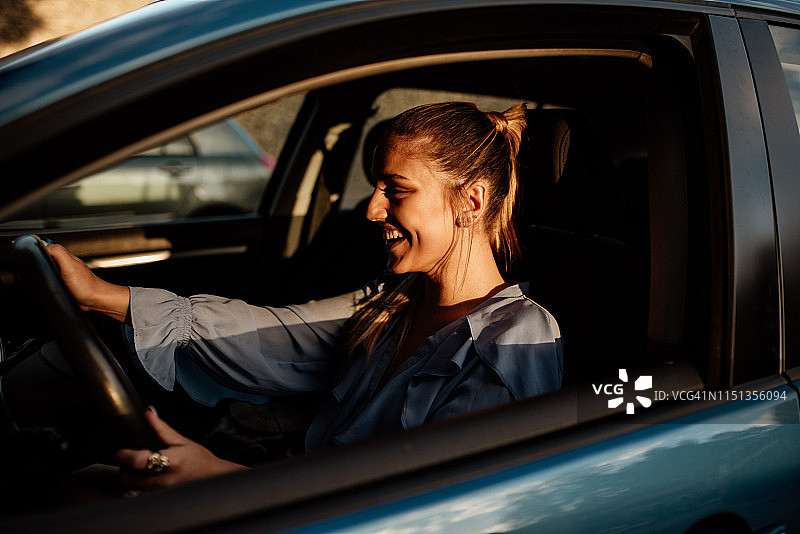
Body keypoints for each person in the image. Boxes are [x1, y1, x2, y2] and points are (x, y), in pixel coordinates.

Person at [47, 101, 563, 489]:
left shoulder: (516, 337)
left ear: (470, 200)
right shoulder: (391, 301)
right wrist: (104, 297)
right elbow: (269, 333)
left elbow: (435, 507)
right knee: (83, 483)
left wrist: (220, 482)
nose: (372, 210)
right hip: (291, 498)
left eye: (396, 190)